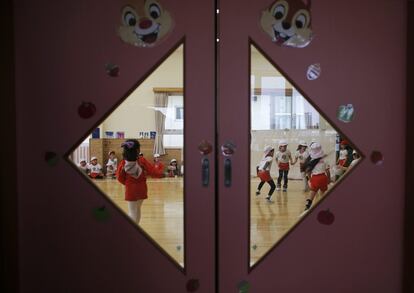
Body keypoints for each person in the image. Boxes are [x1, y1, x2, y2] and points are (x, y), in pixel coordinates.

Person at [116, 139, 156, 224]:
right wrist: (161, 174)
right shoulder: (142, 160)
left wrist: (127, 183)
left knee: (132, 212)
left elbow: (119, 178)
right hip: (142, 189)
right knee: (137, 210)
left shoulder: (123, 164)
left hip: (130, 190)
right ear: (138, 150)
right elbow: (152, 171)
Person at [303, 142, 331, 211]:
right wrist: (329, 179)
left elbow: (308, 172)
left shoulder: (311, 160)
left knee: (312, 193)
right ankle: (323, 208)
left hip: (314, 178)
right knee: (322, 194)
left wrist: (310, 179)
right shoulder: (325, 160)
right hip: (323, 177)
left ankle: (307, 206)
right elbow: (327, 171)